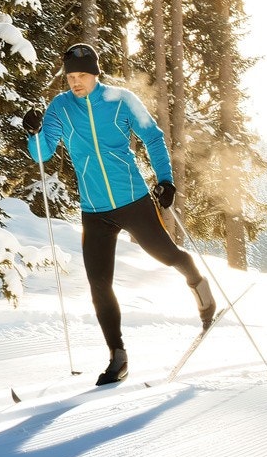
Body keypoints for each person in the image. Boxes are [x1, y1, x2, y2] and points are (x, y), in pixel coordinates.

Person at [23, 42, 216, 385]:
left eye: (82, 75)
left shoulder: (122, 100)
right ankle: (117, 355)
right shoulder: (60, 107)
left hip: (132, 201)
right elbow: (42, 153)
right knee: (99, 284)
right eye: (70, 76)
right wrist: (33, 133)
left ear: (95, 74)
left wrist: (165, 180)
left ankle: (196, 280)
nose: (75, 81)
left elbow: (153, 138)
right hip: (94, 211)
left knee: (167, 255)